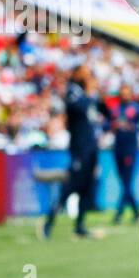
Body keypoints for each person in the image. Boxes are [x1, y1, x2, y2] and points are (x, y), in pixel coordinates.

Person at [43, 63, 107, 239]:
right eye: (85, 73)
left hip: (91, 146)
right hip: (79, 147)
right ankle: (49, 222)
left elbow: (107, 112)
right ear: (78, 74)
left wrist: (97, 96)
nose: (88, 76)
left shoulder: (90, 95)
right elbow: (75, 107)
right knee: (71, 186)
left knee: (87, 187)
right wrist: (90, 95)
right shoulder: (74, 91)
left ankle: (80, 225)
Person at [111, 83, 139, 225]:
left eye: (127, 92)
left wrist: (131, 127)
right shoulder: (116, 109)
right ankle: (137, 212)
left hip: (130, 148)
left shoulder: (136, 108)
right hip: (118, 147)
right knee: (124, 182)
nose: (125, 95)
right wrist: (114, 125)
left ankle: (119, 213)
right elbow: (107, 124)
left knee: (127, 181)